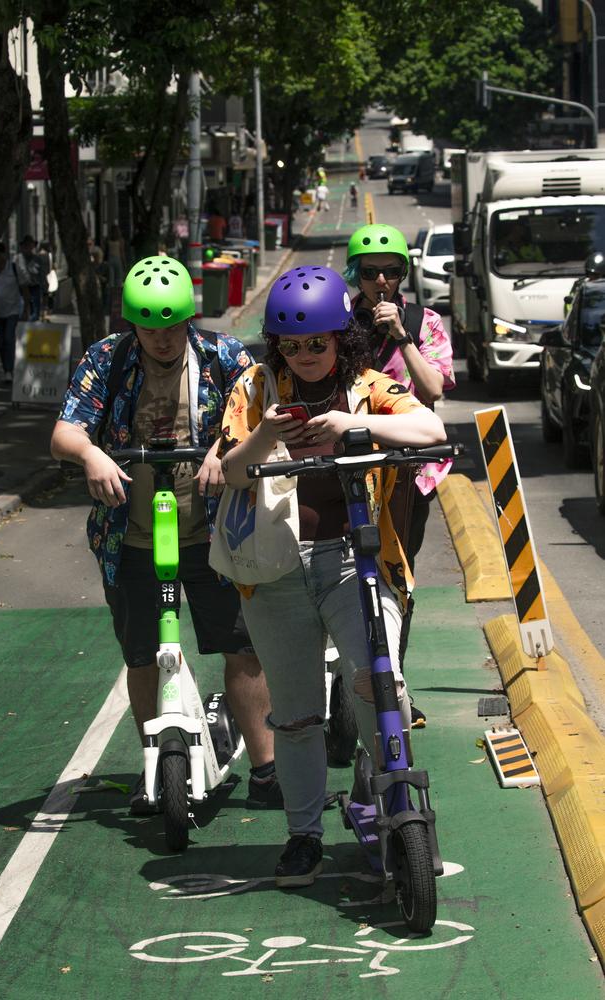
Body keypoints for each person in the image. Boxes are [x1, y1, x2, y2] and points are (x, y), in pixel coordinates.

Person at [218, 266, 446, 886]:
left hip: (358, 562)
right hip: (276, 570)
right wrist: (267, 433)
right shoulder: (256, 389)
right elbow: (230, 472)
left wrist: (354, 426)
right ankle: (303, 836)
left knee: (383, 688)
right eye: (291, 345)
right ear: (276, 347)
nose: (306, 355)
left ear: (340, 340)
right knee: (294, 715)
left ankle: (397, 807)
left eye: (318, 342)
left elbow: (433, 429)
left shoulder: (367, 386)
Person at [50, 256, 282, 813]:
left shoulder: (223, 357)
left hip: (213, 532)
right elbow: (65, 430)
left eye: (171, 327)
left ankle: (267, 769)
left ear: (189, 320)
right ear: (132, 324)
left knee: (243, 648)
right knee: (143, 656)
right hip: (130, 536)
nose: (160, 339)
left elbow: (263, 412)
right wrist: (91, 454)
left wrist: (222, 449)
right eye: (149, 328)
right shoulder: (108, 359)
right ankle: (155, 762)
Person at [343, 224, 455, 727]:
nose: (380, 282)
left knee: (397, 575)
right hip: (349, 467)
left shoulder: (424, 322)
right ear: (357, 277)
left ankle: (395, 684)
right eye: (370, 274)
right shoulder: (339, 322)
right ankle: (347, 690)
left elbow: (432, 389)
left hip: (407, 473)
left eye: (390, 272)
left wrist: (402, 337)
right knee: (343, 575)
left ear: (403, 275)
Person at [0, 242, 21, 383]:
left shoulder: (13, 267)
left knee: (8, 339)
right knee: (1, 342)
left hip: (12, 310)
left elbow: (23, 286)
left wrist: (26, 309)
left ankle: (9, 370)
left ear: (4, 254)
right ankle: (6, 368)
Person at [15, 235, 46, 322]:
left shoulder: (37, 259)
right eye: (26, 245)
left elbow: (42, 275)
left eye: (30, 245)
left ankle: (30, 327)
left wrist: (45, 291)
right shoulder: (17, 259)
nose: (28, 247)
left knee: (35, 314)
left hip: (35, 288)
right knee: (21, 312)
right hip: (21, 289)